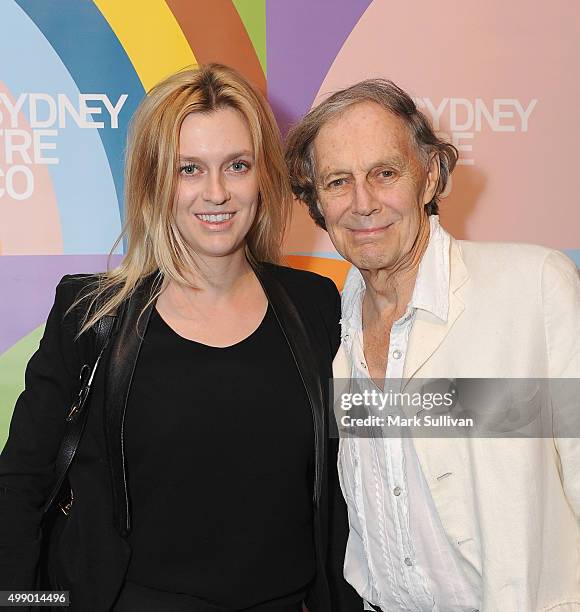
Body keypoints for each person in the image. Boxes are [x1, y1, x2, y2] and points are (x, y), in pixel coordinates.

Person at [0, 64, 361, 612]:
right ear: (154, 180)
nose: (216, 193)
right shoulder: (91, 315)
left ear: (262, 176)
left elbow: (356, 476)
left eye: (236, 166)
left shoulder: (316, 305)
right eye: (189, 168)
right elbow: (19, 487)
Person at [285, 79, 580, 612]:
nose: (363, 203)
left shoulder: (533, 288)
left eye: (385, 173)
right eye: (337, 182)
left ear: (429, 177)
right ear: (317, 202)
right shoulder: (330, 326)